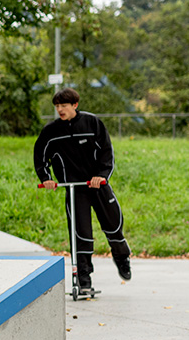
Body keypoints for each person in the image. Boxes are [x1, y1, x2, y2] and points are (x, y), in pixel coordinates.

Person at [34, 87, 132, 293]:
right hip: (74, 189)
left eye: (64, 105)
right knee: (81, 234)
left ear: (75, 105)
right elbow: (40, 157)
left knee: (113, 225)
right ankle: (84, 278)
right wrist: (46, 178)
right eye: (57, 106)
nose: (60, 110)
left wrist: (102, 175)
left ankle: (122, 257)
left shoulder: (92, 123)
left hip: (97, 184)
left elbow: (106, 152)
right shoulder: (51, 131)